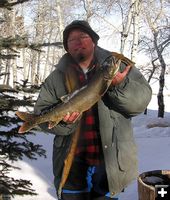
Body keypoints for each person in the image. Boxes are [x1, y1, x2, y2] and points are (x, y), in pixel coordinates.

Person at [34, 20, 152, 200]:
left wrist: (119, 86)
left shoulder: (118, 64)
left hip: (109, 165)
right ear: (67, 46)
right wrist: (64, 123)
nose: (79, 42)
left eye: (83, 36)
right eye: (72, 39)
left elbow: (140, 104)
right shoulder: (55, 77)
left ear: (94, 41)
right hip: (72, 166)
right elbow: (41, 114)